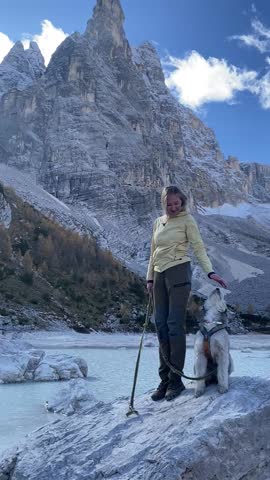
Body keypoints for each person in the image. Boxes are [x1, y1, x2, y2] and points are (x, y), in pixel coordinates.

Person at [147, 185, 227, 402]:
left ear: (182, 202)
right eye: (169, 204)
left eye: (177, 203)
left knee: (174, 325)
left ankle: (176, 381)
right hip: (159, 275)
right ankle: (164, 380)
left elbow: (198, 247)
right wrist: (149, 278)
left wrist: (210, 272)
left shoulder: (187, 220)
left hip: (179, 272)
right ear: (163, 203)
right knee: (160, 325)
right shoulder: (157, 222)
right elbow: (153, 252)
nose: (173, 207)